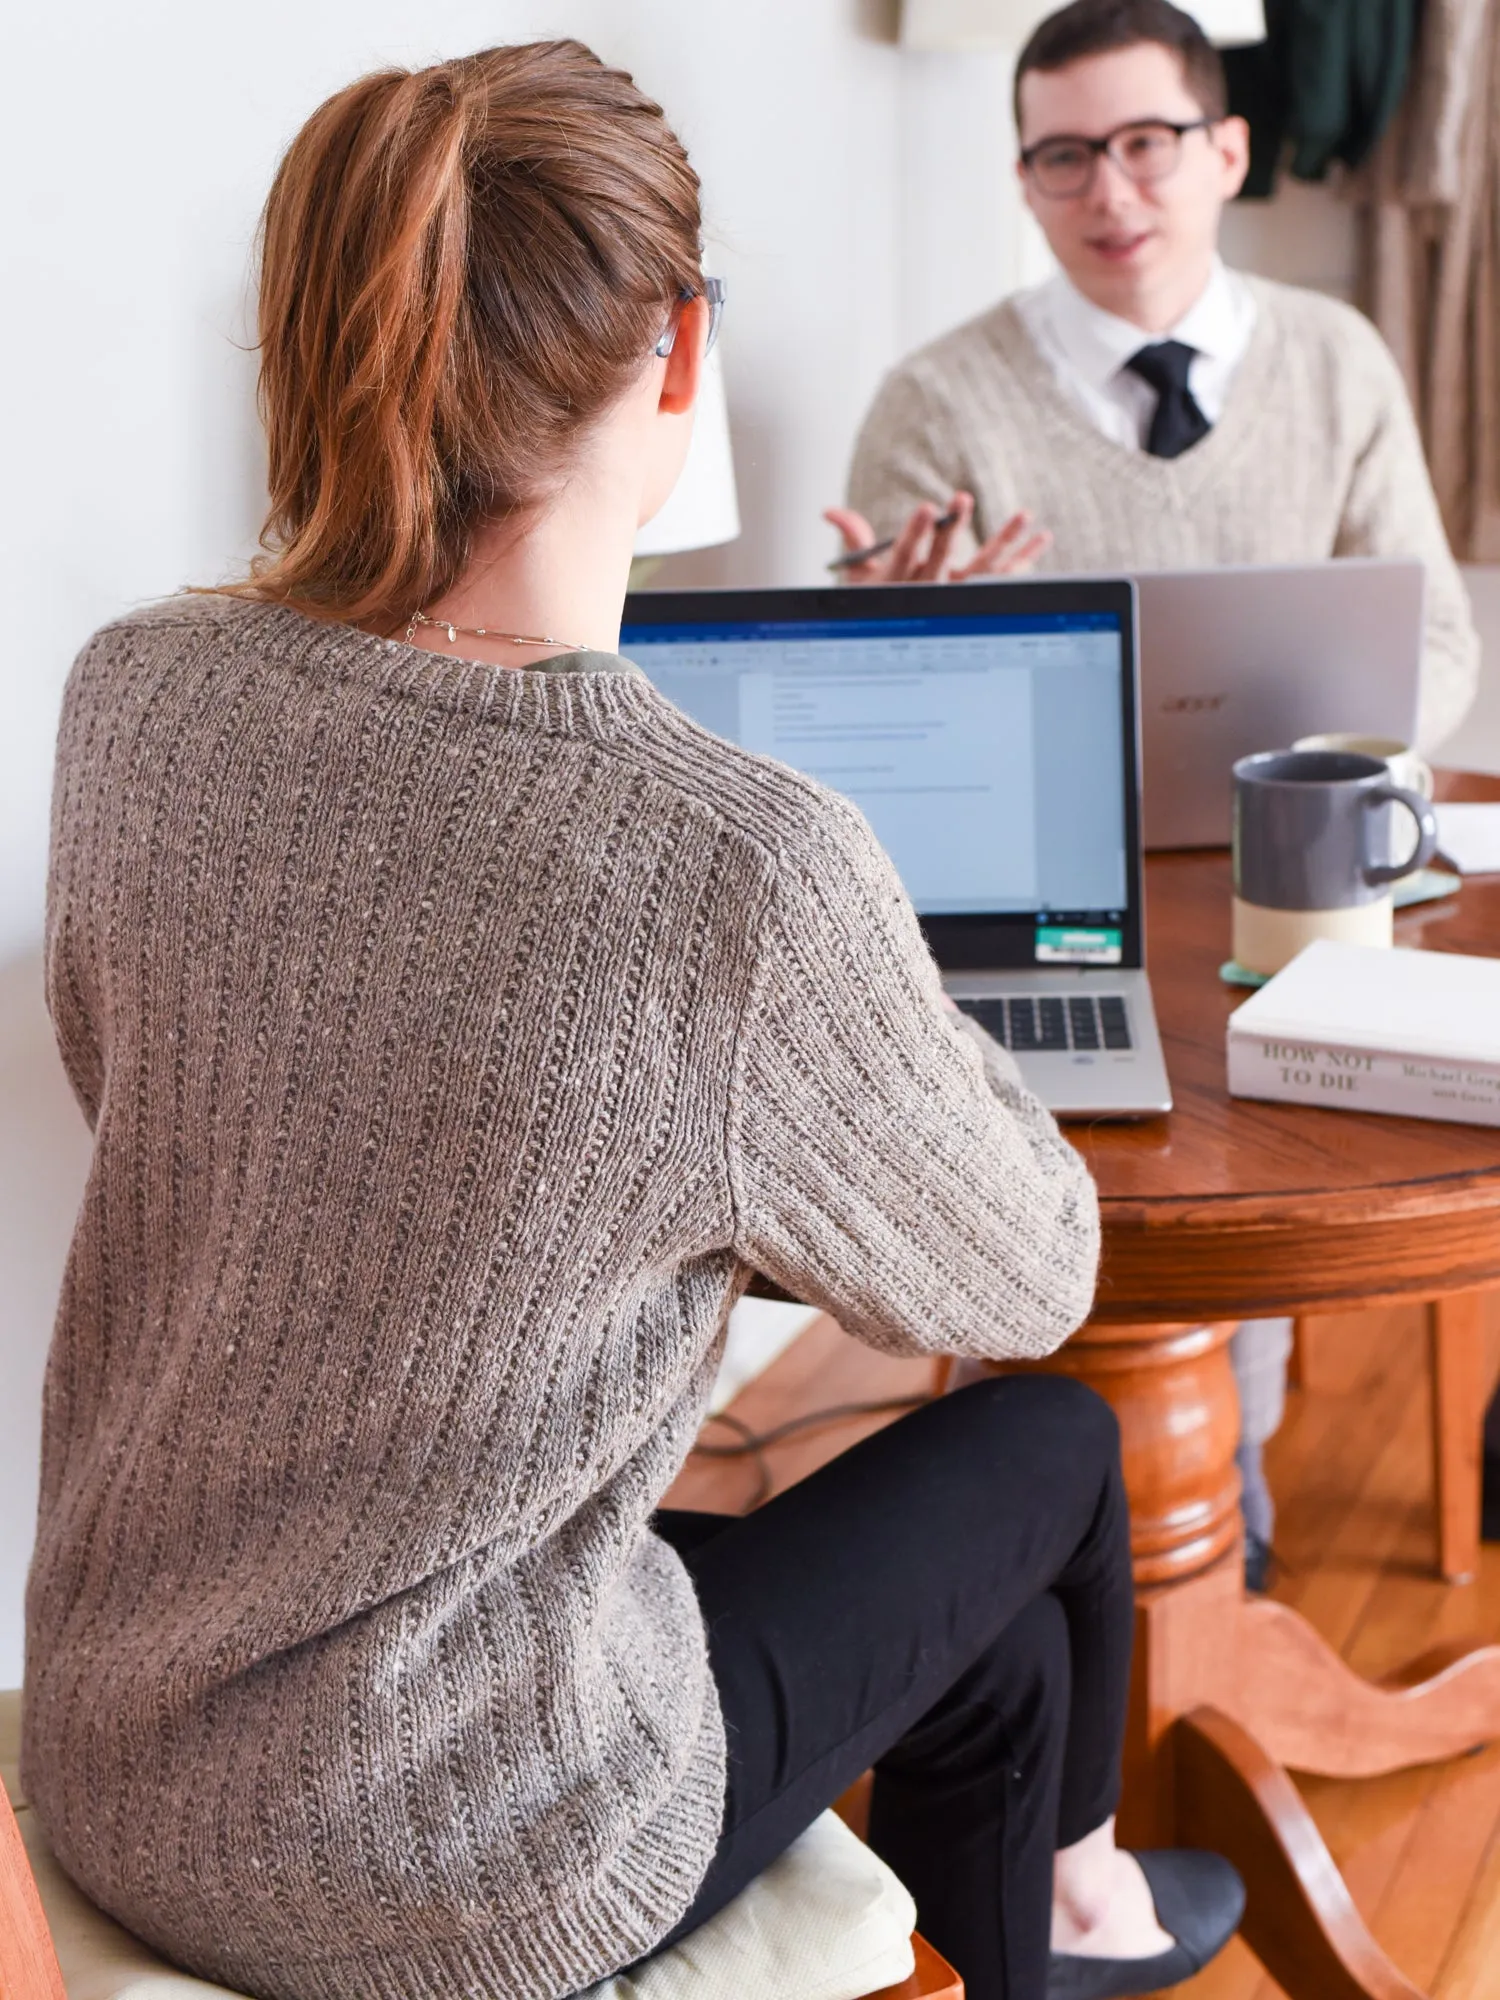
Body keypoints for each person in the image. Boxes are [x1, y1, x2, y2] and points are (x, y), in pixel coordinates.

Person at [22, 38, 1245, 2000]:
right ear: (685, 353)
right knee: (1053, 1446)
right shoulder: (734, 860)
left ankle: (1067, 1920)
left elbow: (154, 1073)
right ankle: (1088, 1890)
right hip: (450, 1860)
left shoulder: (136, 691)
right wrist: (855, 992)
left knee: (995, 1648)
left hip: (122, 1743)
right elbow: (1028, 1267)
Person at [828, 0, 1482, 1585]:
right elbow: (872, 737)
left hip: (1287, 891)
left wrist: (1345, 764)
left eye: (1144, 145)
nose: (1109, 193)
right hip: (1041, 903)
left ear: (1228, 151)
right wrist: (914, 633)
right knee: (1041, 1185)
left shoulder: (1335, 358)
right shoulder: (939, 398)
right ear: (1027, 180)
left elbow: (1441, 638)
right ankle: (1047, 1544)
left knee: (1242, 1185)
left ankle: (1200, 1519)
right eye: (1063, 158)